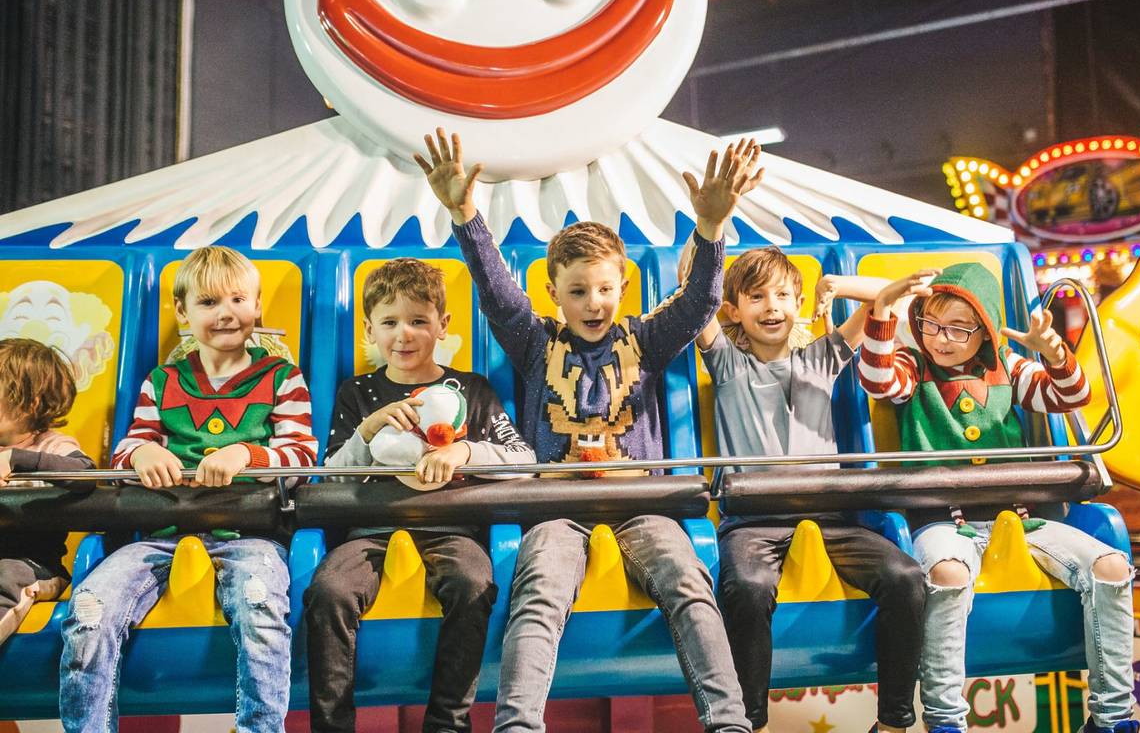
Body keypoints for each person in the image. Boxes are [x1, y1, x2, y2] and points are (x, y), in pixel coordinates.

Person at [416, 128, 760, 733]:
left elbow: (701, 302)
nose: (594, 302)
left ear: (624, 289)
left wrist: (709, 230)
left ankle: (728, 722)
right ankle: (517, 724)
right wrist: (464, 214)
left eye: (605, 289)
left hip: (641, 504)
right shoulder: (535, 343)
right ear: (554, 294)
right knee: (539, 592)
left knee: (688, 580)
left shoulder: (646, 340)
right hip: (556, 506)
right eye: (578, 291)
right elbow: (497, 295)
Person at [858, 263, 1138, 733]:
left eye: (958, 329)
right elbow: (877, 380)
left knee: (1110, 567)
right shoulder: (913, 363)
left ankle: (1112, 717)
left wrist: (1054, 355)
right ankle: (946, 720)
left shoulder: (1008, 367)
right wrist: (885, 309)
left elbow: (1073, 396)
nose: (940, 339)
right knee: (947, 574)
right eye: (931, 324)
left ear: (984, 330)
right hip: (942, 519)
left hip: (1020, 515)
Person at [59, 245, 317, 733]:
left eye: (238, 300)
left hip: (250, 535)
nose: (226, 314)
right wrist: (142, 454)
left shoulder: (282, 378)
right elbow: (126, 449)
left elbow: (302, 456)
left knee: (260, 607)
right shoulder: (163, 382)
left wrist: (246, 454)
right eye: (208, 303)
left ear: (258, 307)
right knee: (90, 608)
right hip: (162, 535)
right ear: (182, 312)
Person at [693, 245, 924, 733]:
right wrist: (710, 223)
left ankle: (895, 722)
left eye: (782, 295)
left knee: (905, 577)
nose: (771, 307)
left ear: (798, 302)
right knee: (749, 589)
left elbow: (886, 300)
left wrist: (835, 285)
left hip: (828, 515)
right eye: (756, 297)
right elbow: (695, 294)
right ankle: (749, 722)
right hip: (754, 521)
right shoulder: (728, 364)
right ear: (733, 309)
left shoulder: (822, 357)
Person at [304, 257, 535, 733]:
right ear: (370, 330)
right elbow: (329, 479)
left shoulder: (470, 389)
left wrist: (465, 453)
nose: (403, 335)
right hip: (370, 529)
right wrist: (366, 432)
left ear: (443, 325)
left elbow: (523, 462)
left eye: (418, 321)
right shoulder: (358, 393)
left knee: (472, 583)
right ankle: (331, 725)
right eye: (389, 323)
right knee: (328, 590)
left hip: (450, 527)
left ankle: (447, 723)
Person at [0, 338, 96, 644]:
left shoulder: (50, 444)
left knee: (6, 574)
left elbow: (85, 474)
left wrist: (17, 460)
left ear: (32, 402)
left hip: (33, 564)